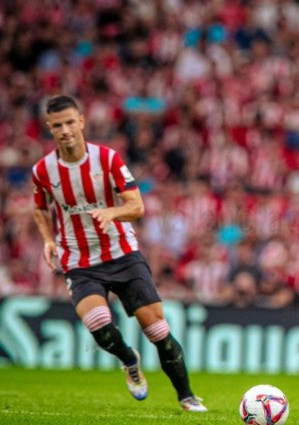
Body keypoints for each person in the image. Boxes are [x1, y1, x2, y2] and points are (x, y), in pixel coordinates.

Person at [32, 95, 206, 412]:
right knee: (98, 322)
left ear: (82, 121)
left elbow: (136, 206)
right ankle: (128, 360)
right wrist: (47, 240)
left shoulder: (108, 159)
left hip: (122, 254)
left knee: (157, 330)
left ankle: (186, 396)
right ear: (50, 129)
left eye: (70, 122)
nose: (66, 130)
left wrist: (111, 213)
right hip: (80, 261)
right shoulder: (43, 170)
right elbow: (39, 208)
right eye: (58, 125)